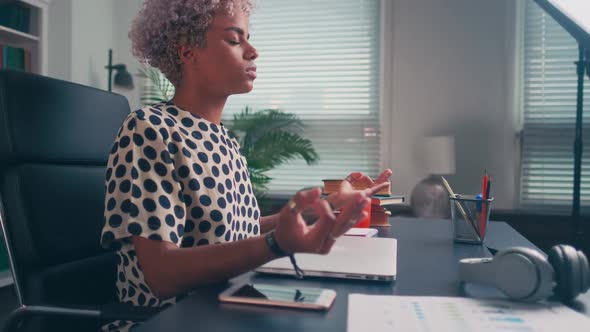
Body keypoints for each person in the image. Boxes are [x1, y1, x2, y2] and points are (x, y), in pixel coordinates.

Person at [100, 0, 392, 331]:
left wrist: (329, 206)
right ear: (187, 52)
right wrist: (276, 244)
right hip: (167, 323)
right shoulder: (150, 130)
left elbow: (242, 228)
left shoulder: (226, 142)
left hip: (226, 311)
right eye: (235, 39)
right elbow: (162, 275)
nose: (253, 51)